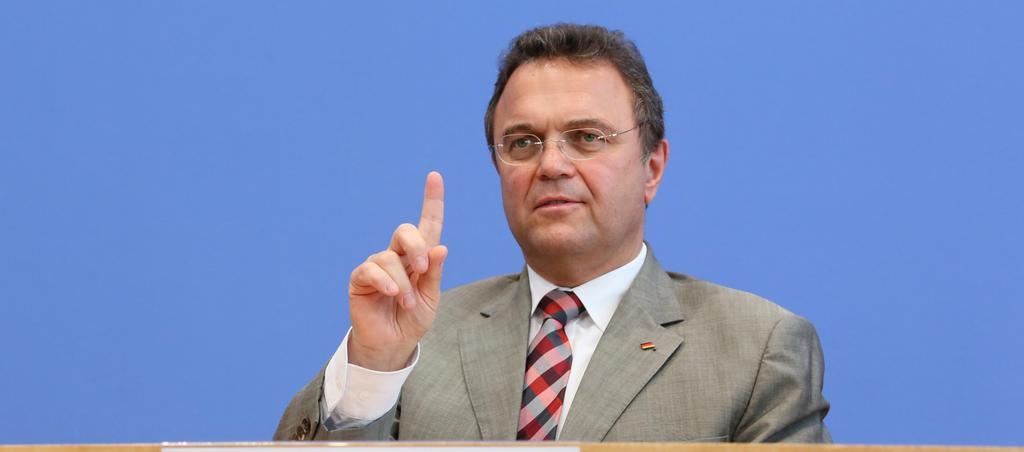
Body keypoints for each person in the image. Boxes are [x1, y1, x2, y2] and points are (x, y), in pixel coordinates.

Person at [274, 23, 830, 443]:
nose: (553, 165)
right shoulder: (416, 339)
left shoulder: (756, 349)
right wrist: (375, 363)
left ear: (652, 167)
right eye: (523, 142)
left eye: (587, 137)